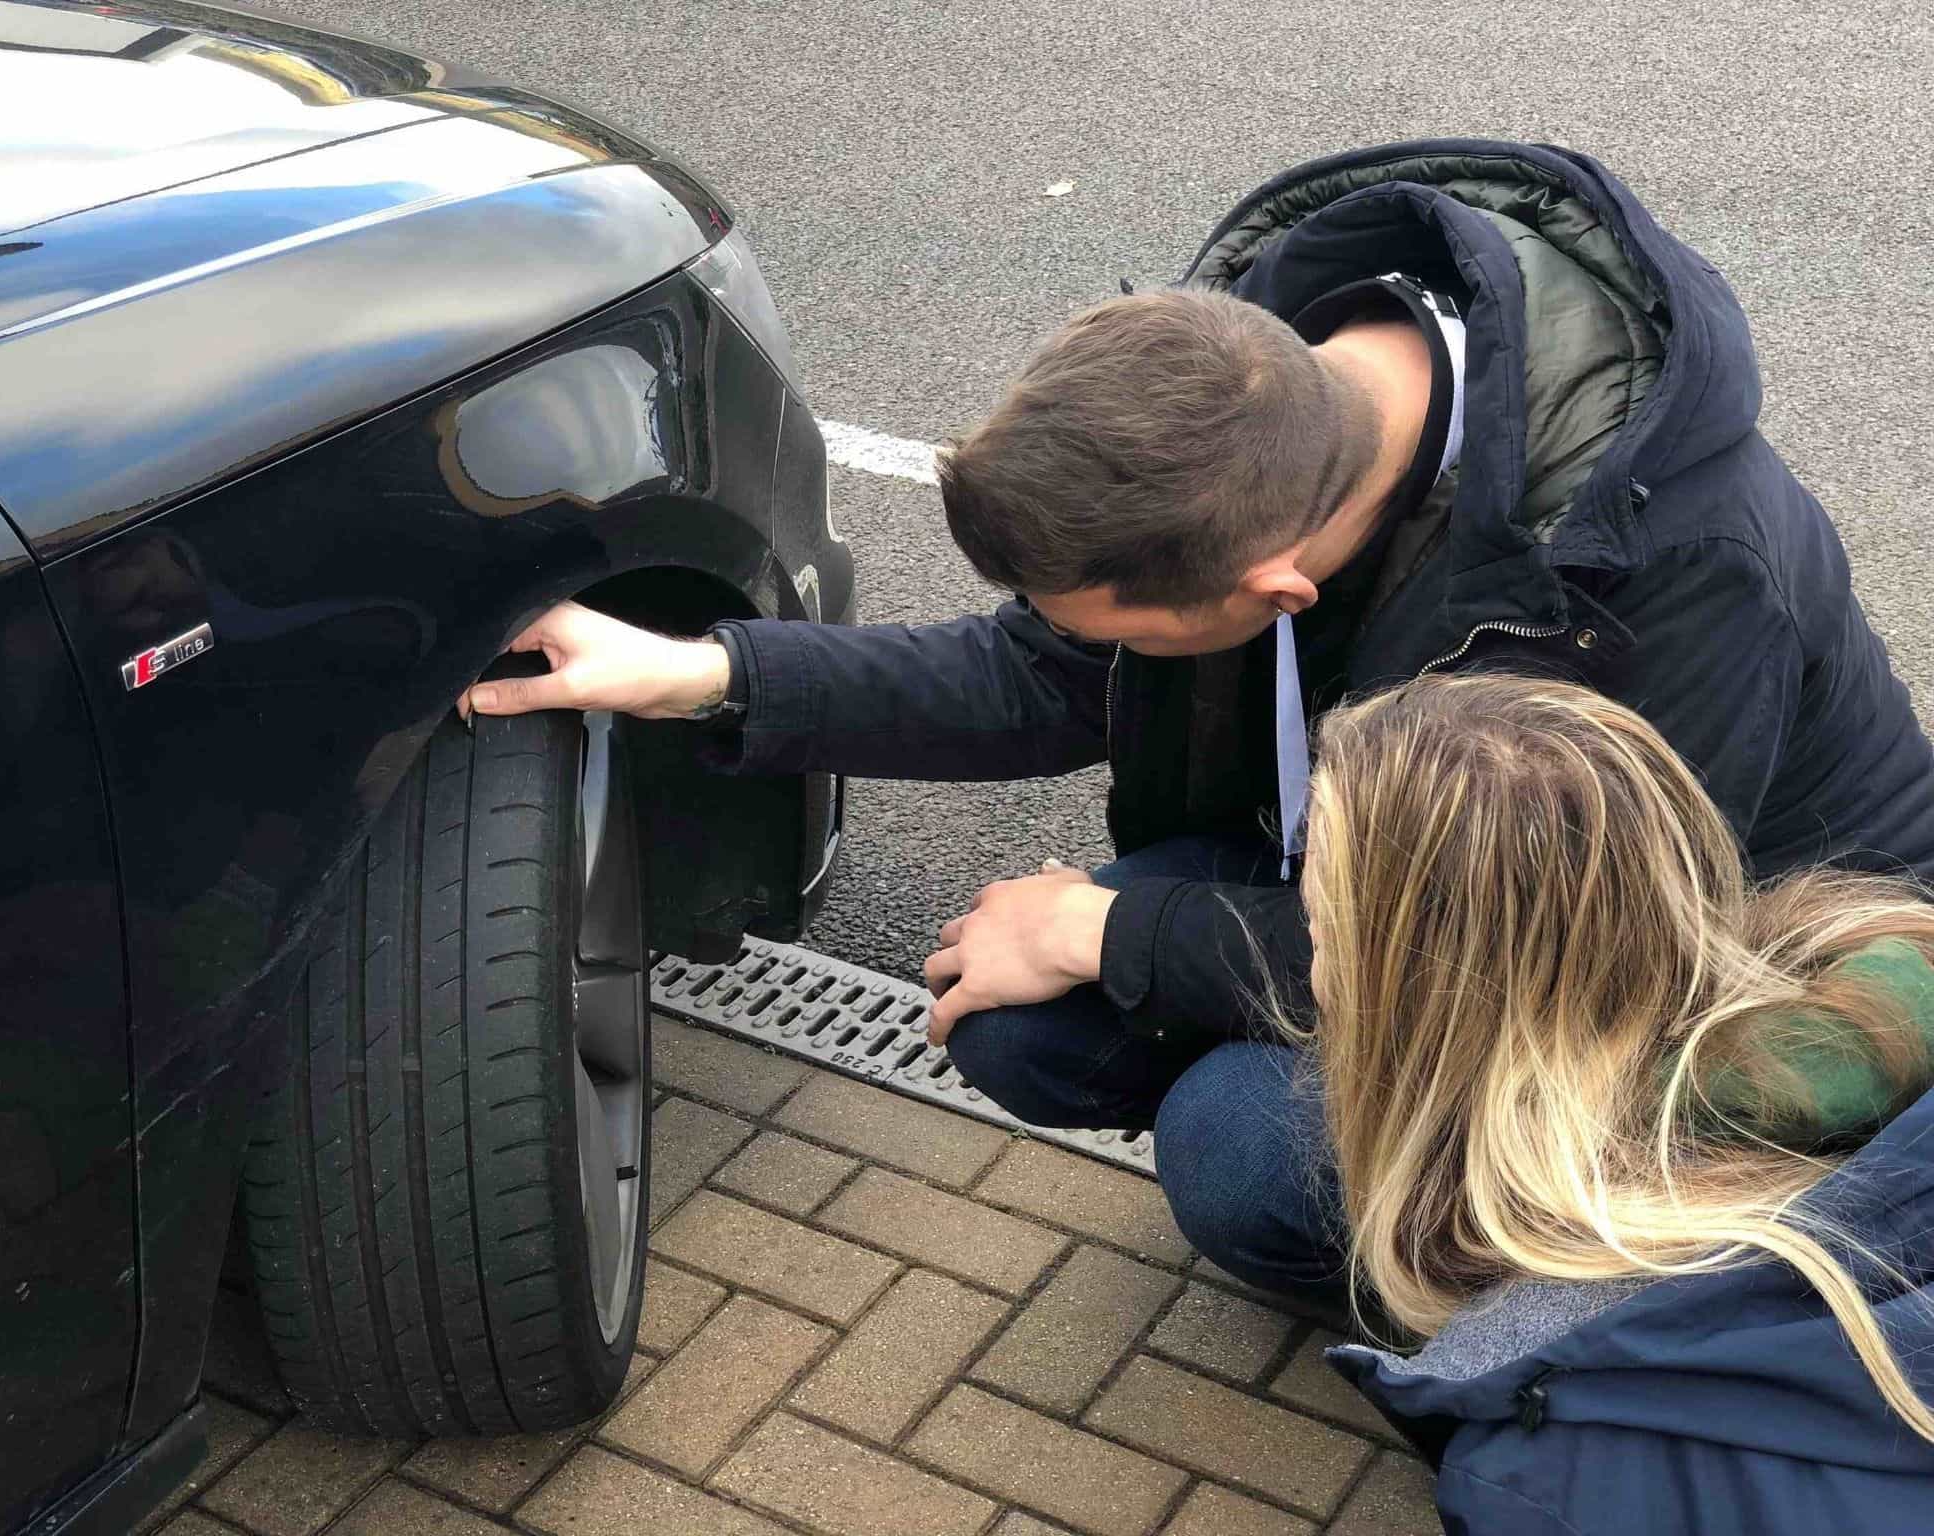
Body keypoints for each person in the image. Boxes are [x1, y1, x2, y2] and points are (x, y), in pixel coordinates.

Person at [461, 138, 1934, 1313]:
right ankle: (1371, 1118)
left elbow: (1567, 961)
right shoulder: (1254, 420)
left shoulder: (1656, 577)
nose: (1081, 654)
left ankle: (1557, 1279)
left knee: (1239, 1147)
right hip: (1409, 902)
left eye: (1117, 631)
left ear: (1276, 586)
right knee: (1031, 1029)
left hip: (1727, 965)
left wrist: (1119, 939)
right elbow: (1031, 676)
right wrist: (700, 674)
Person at [1296, 673, 1934, 1534]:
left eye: (1322, 932)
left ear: (1417, 1001)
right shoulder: (1881, 964)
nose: (1316, 970)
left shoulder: (1546, 1447)